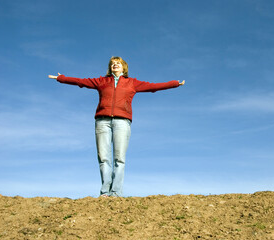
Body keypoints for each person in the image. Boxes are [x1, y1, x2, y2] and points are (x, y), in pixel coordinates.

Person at [48, 56, 185, 197]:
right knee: (103, 158)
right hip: (102, 121)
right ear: (110, 67)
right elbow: (81, 82)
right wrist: (62, 78)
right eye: (113, 63)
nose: (115, 65)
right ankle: (105, 192)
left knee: (119, 158)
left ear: (123, 67)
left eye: (118, 63)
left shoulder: (132, 83)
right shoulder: (102, 81)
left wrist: (174, 84)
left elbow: (153, 87)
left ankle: (116, 192)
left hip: (122, 121)